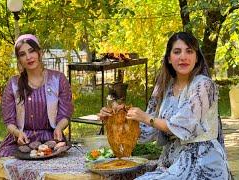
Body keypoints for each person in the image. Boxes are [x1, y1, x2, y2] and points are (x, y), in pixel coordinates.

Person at [98, 32, 231, 179]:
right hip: (171, 160)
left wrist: (146, 117)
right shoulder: (163, 88)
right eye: (177, 52)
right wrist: (117, 119)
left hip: (201, 162)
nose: (183, 57)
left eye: (189, 51)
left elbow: (183, 126)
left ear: (197, 57)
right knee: (115, 176)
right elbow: (146, 132)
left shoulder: (203, 86)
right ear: (169, 58)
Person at [0, 34, 73, 158]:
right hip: (20, 139)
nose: (28, 57)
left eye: (31, 51)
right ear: (19, 60)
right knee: (4, 157)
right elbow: (9, 121)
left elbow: (65, 115)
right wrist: (17, 133)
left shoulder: (58, 79)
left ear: (39, 53)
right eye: (22, 54)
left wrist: (59, 128)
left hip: (50, 138)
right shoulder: (13, 84)